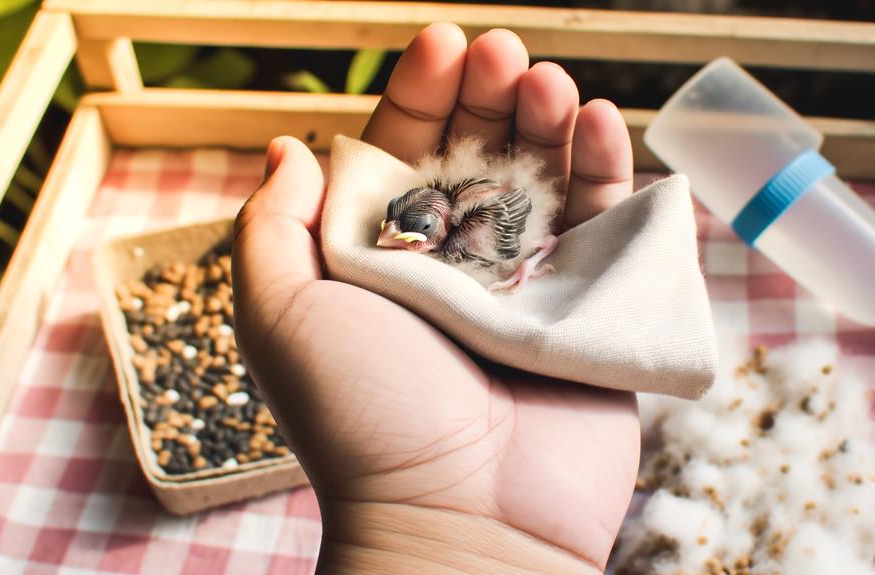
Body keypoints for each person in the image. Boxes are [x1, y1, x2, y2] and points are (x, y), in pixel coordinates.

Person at [232, 23, 640, 574]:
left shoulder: (472, 232)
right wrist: (437, 530)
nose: (391, 245)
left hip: (499, 230)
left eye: (409, 239)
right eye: (396, 234)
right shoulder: (415, 212)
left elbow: (515, 232)